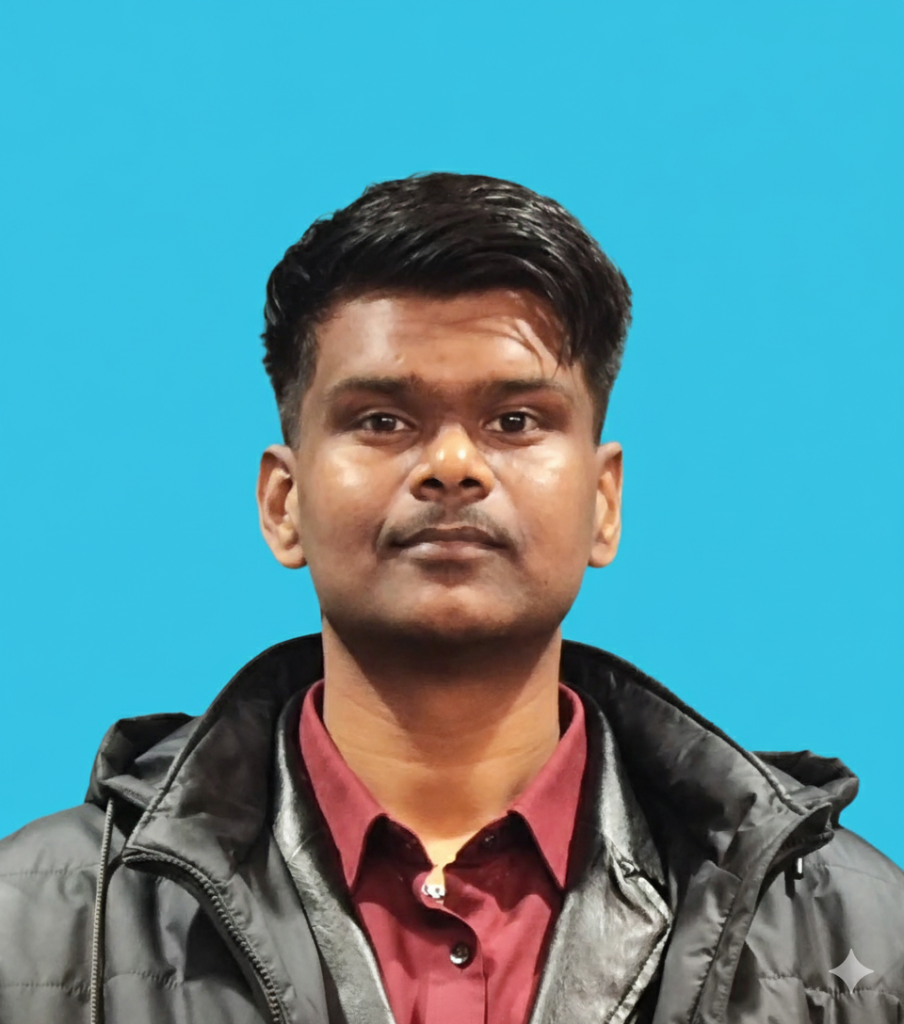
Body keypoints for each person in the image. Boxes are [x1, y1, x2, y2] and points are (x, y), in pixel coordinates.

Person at [0, 173, 901, 1024]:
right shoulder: (34, 920)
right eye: (382, 420)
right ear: (285, 504)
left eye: (515, 421)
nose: (453, 467)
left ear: (601, 501)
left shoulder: (855, 928)